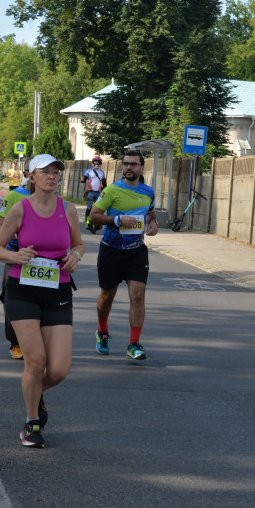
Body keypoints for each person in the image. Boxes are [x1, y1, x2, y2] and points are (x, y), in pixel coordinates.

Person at [0, 154, 84, 448]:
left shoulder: (68, 209)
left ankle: (34, 393)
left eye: (56, 171)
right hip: (23, 289)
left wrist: (75, 256)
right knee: (36, 360)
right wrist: (15, 256)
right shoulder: (20, 209)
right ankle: (31, 423)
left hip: (58, 289)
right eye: (46, 171)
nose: (52, 176)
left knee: (58, 369)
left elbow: (78, 243)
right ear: (31, 176)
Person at [89, 150, 158, 360]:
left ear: (141, 168)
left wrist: (152, 223)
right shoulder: (111, 191)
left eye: (133, 164)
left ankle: (134, 344)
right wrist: (117, 221)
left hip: (136, 251)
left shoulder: (148, 191)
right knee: (107, 296)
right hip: (111, 249)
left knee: (138, 295)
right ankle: (102, 331)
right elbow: (93, 217)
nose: (129, 168)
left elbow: (150, 212)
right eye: (126, 164)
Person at [0, 160, 35, 359]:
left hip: (45, 261)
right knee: (11, 299)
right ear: (28, 173)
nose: (48, 176)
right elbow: (0, 227)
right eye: (42, 171)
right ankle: (16, 342)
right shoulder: (14, 196)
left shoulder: (55, 200)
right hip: (16, 257)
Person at [80, 155, 107, 234]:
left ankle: (99, 224)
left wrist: (105, 191)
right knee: (89, 209)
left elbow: (104, 184)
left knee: (100, 209)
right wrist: (82, 179)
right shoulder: (88, 171)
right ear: (93, 162)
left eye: (98, 162)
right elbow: (83, 180)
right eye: (95, 161)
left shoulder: (102, 172)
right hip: (90, 193)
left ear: (100, 163)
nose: (96, 163)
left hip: (99, 193)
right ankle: (88, 223)